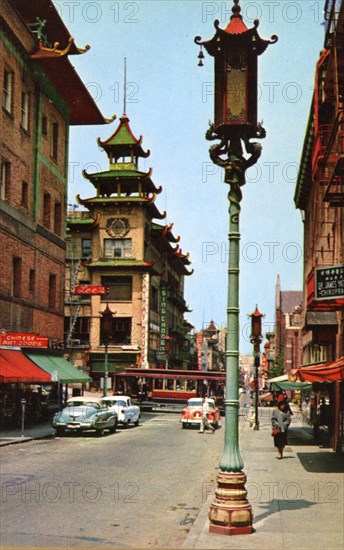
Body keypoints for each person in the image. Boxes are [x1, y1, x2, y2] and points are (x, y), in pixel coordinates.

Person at [271, 395, 291, 459]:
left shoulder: (287, 412)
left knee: (282, 443)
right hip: (277, 429)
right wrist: (276, 424)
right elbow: (273, 419)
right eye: (282, 405)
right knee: (277, 443)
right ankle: (279, 452)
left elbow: (288, 420)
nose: (283, 406)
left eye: (284, 405)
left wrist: (284, 424)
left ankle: (281, 452)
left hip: (283, 430)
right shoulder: (275, 411)